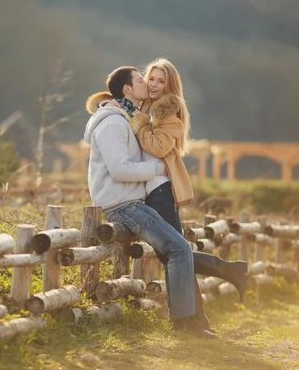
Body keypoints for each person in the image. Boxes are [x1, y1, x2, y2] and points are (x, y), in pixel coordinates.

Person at [83, 65, 215, 338]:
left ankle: (189, 320)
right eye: (142, 79)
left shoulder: (127, 116)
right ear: (128, 89)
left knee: (178, 249)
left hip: (133, 202)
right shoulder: (112, 123)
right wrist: (159, 170)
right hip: (123, 206)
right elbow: (120, 169)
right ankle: (184, 323)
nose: (148, 83)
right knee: (179, 249)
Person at [125, 58, 248, 332]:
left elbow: (156, 147)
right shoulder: (145, 108)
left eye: (161, 81)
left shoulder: (169, 113)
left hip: (161, 192)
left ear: (170, 86)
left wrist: (140, 124)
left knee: (174, 254)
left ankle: (221, 280)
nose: (155, 85)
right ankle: (200, 317)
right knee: (176, 256)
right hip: (150, 191)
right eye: (152, 79)